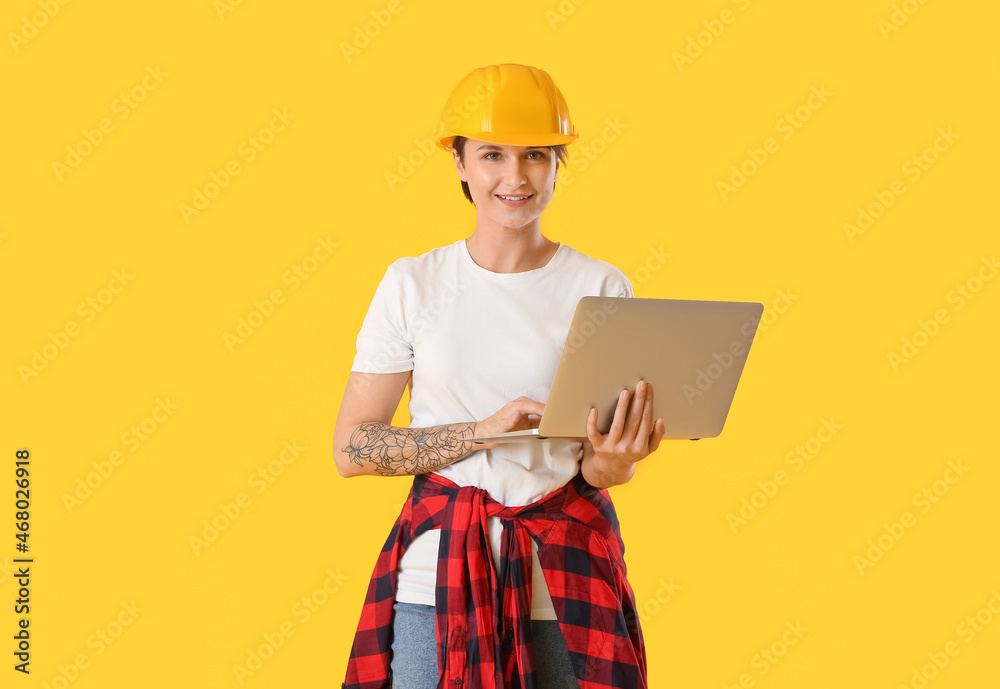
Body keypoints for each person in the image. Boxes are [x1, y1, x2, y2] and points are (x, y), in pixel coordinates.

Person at [335, 63, 665, 689]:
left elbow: (597, 469)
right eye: (492, 155)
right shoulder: (413, 283)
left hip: (564, 583)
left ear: (558, 163)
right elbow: (352, 448)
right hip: (436, 584)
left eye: (536, 155)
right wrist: (481, 433)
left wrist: (617, 461)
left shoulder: (599, 287)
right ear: (460, 163)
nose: (515, 177)